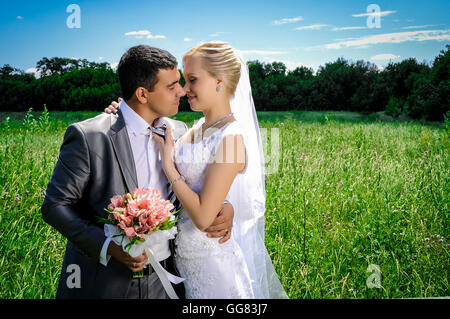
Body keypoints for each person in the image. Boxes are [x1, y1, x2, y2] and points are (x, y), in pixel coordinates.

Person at [41, 45, 234, 299]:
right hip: (105, 283)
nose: (182, 90)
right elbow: (55, 206)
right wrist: (108, 247)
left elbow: (196, 182)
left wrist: (226, 206)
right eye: (171, 85)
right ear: (143, 94)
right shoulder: (89, 136)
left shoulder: (179, 131)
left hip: (167, 280)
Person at [106, 42, 287, 299]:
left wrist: (170, 167)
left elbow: (203, 217)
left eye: (192, 80)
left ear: (220, 82)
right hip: (185, 263)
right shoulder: (195, 128)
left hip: (214, 264)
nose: (184, 89)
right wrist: (121, 111)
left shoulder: (233, 138)